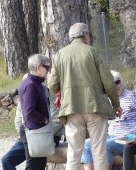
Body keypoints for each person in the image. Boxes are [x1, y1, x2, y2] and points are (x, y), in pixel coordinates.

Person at [48, 22, 122, 170]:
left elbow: (52, 85)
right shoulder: (92, 52)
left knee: (73, 152)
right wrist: (116, 104)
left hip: (71, 108)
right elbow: (108, 83)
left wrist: (62, 92)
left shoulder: (59, 55)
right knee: (99, 151)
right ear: (85, 34)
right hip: (96, 108)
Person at [81, 70, 136, 170]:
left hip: (129, 137)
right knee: (86, 145)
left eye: (117, 82)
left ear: (122, 82)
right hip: (111, 136)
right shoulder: (108, 100)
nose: (115, 86)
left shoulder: (132, 96)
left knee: (104, 146)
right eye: (111, 84)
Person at [1, 77, 64, 170]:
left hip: (47, 137)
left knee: (33, 166)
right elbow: (18, 121)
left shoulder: (51, 97)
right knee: (6, 161)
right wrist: (27, 136)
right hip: (27, 136)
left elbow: (58, 121)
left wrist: (39, 133)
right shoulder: (24, 98)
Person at [18, 54, 52, 170]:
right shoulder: (31, 85)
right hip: (34, 131)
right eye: (46, 67)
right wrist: (44, 119)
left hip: (36, 130)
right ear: (38, 68)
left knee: (39, 166)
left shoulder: (34, 83)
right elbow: (29, 112)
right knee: (34, 166)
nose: (48, 70)